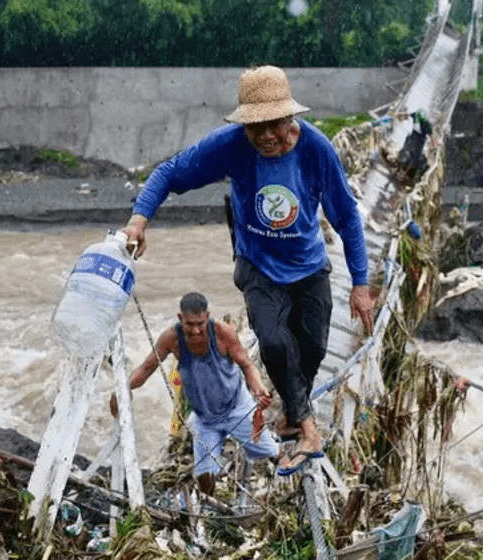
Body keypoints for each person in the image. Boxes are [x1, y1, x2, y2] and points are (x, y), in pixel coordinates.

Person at [122, 65, 375, 476]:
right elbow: (170, 173)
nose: (266, 136)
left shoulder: (316, 150)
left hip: (310, 266)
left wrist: (360, 283)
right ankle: (308, 431)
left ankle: (294, 413)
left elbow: (346, 217)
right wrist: (139, 219)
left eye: (274, 124)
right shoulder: (232, 146)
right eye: (255, 127)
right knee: (274, 343)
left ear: (290, 118)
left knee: (312, 348)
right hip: (259, 267)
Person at [109, 292, 279, 495]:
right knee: (204, 478)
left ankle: (281, 486)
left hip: (236, 407)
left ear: (207, 316)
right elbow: (146, 368)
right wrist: (123, 388)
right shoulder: (171, 338)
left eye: (200, 323)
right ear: (181, 319)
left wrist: (258, 389)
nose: (196, 330)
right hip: (205, 417)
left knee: (270, 453)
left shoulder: (223, 333)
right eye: (190, 324)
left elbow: (246, 365)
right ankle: (209, 509)